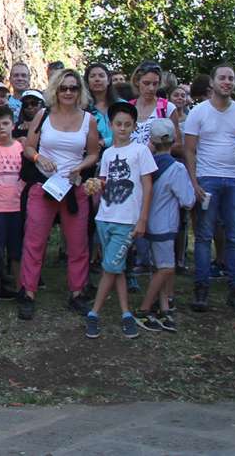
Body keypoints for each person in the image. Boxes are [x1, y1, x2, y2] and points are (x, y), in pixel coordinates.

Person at [18, 69, 101, 320]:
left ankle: (77, 292)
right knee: (34, 241)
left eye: (73, 88)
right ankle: (28, 292)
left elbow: (94, 153)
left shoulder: (89, 120)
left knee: (78, 244)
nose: (68, 92)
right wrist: (39, 157)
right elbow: (28, 147)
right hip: (44, 186)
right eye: (63, 88)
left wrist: (82, 166)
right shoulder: (43, 115)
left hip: (73, 187)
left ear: (80, 91)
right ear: (55, 89)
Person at [182, 63, 235, 314]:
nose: (227, 82)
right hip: (207, 179)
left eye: (231, 78)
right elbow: (189, 150)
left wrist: (234, 164)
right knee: (203, 235)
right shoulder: (198, 112)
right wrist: (194, 182)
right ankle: (201, 287)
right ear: (212, 83)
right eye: (222, 78)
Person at [84, 102, 154, 340]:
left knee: (110, 267)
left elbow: (147, 185)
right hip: (105, 216)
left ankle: (94, 312)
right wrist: (94, 186)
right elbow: (103, 181)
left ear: (134, 127)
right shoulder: (107, 153)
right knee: (117, 267)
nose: (122, 128)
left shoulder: (141, 151)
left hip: (127, 220)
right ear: (111, 126)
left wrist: (143, 219)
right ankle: (126, 313)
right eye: (118, 124)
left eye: (127, 125)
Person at [133, 119, 195, 333]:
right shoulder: (176, 168)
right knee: (166, 268)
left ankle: (164, 305)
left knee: (157, 266)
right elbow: (187, 199)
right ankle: (144, 308)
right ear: (174, 139)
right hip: (165, 225)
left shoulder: (147, 164)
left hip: (147, 222)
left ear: (152, 140)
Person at [0, 105, 23, 302]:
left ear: (13, 124)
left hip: (17, 206)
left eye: (5, 123)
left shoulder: (21, 148)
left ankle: (19, 285)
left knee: (16, 249)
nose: (1, 128)